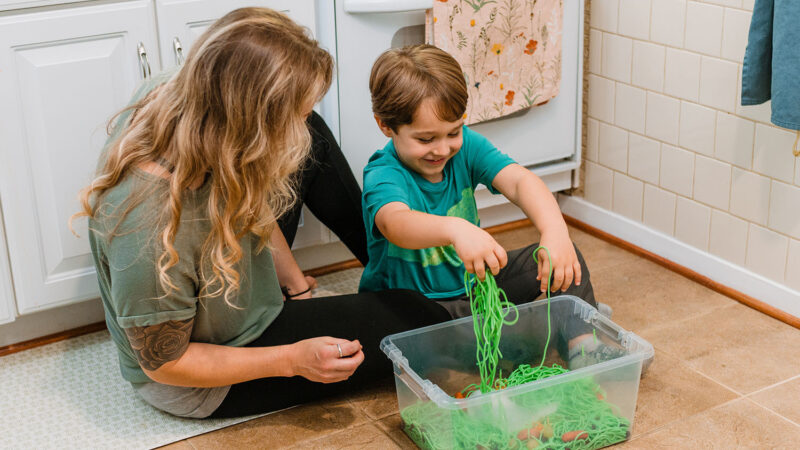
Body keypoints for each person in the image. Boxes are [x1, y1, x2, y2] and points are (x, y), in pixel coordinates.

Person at [73, 8, 450, 419]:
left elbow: (245, 191)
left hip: (230, 287)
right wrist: (291, 359)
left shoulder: (182, 97)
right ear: (250, 125)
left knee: (315, 138)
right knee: (421, 320)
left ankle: (388, 261)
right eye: (293, 117)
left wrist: (297, 288)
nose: (300, 127)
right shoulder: (148, 224)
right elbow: (163, 364)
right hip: (201, 374)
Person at [359, 45, 615, 369]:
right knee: (479, 351)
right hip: (417, 308)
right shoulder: (383, 172)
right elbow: (394, 223)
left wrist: (555, 232)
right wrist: (455, 228)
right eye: (425, 139)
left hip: (476, 290)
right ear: (386, 126)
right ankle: (542, 327)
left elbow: (521, 182)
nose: (443, 148)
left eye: (453, 132)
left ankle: (582, 346)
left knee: (564, 255)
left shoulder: (466, 146)